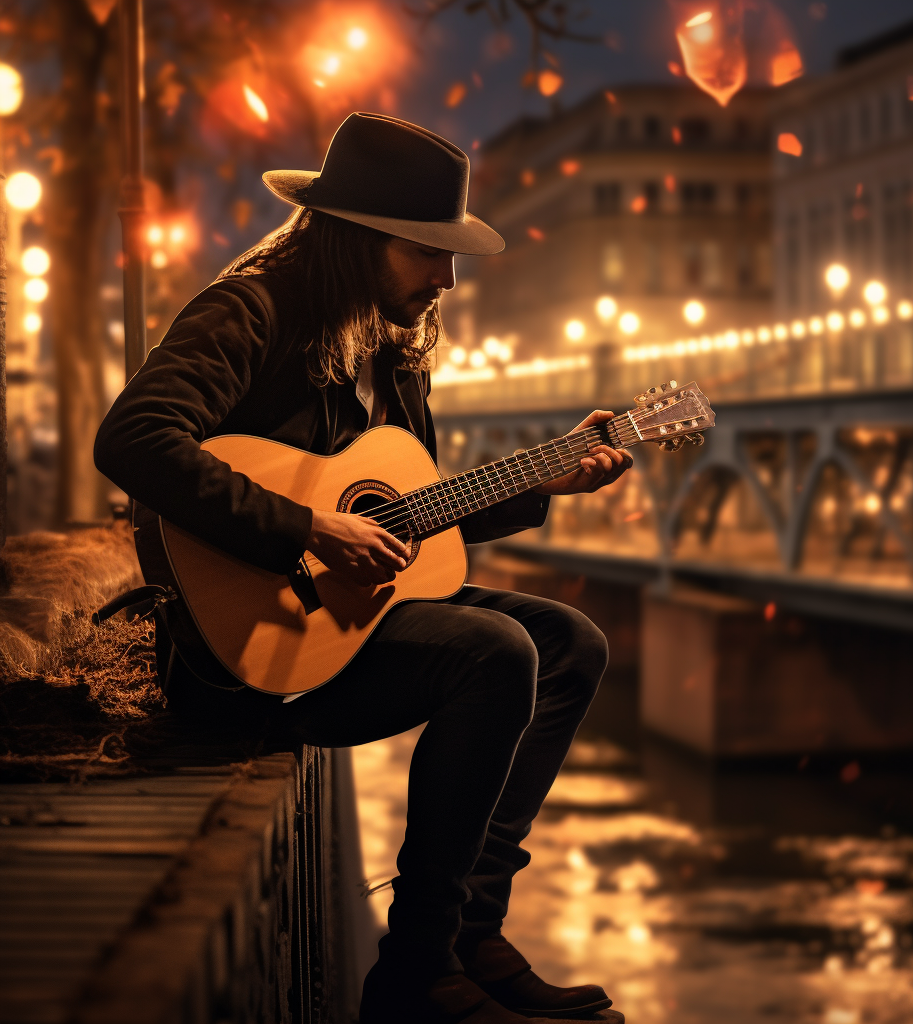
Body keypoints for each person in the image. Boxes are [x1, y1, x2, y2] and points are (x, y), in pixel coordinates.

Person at [94, 112, 632, 1024]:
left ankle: (468, 934)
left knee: (571, 643)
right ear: (357, 238)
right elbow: (134, 438)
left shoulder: (391, 349)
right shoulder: (251, 310)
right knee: (494, 651)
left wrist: (553, 478)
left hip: (341, 631)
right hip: (239, 661)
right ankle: (415, 977)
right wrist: (305, 526)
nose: (446, 277)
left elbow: (412, 517)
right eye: (427, 252)